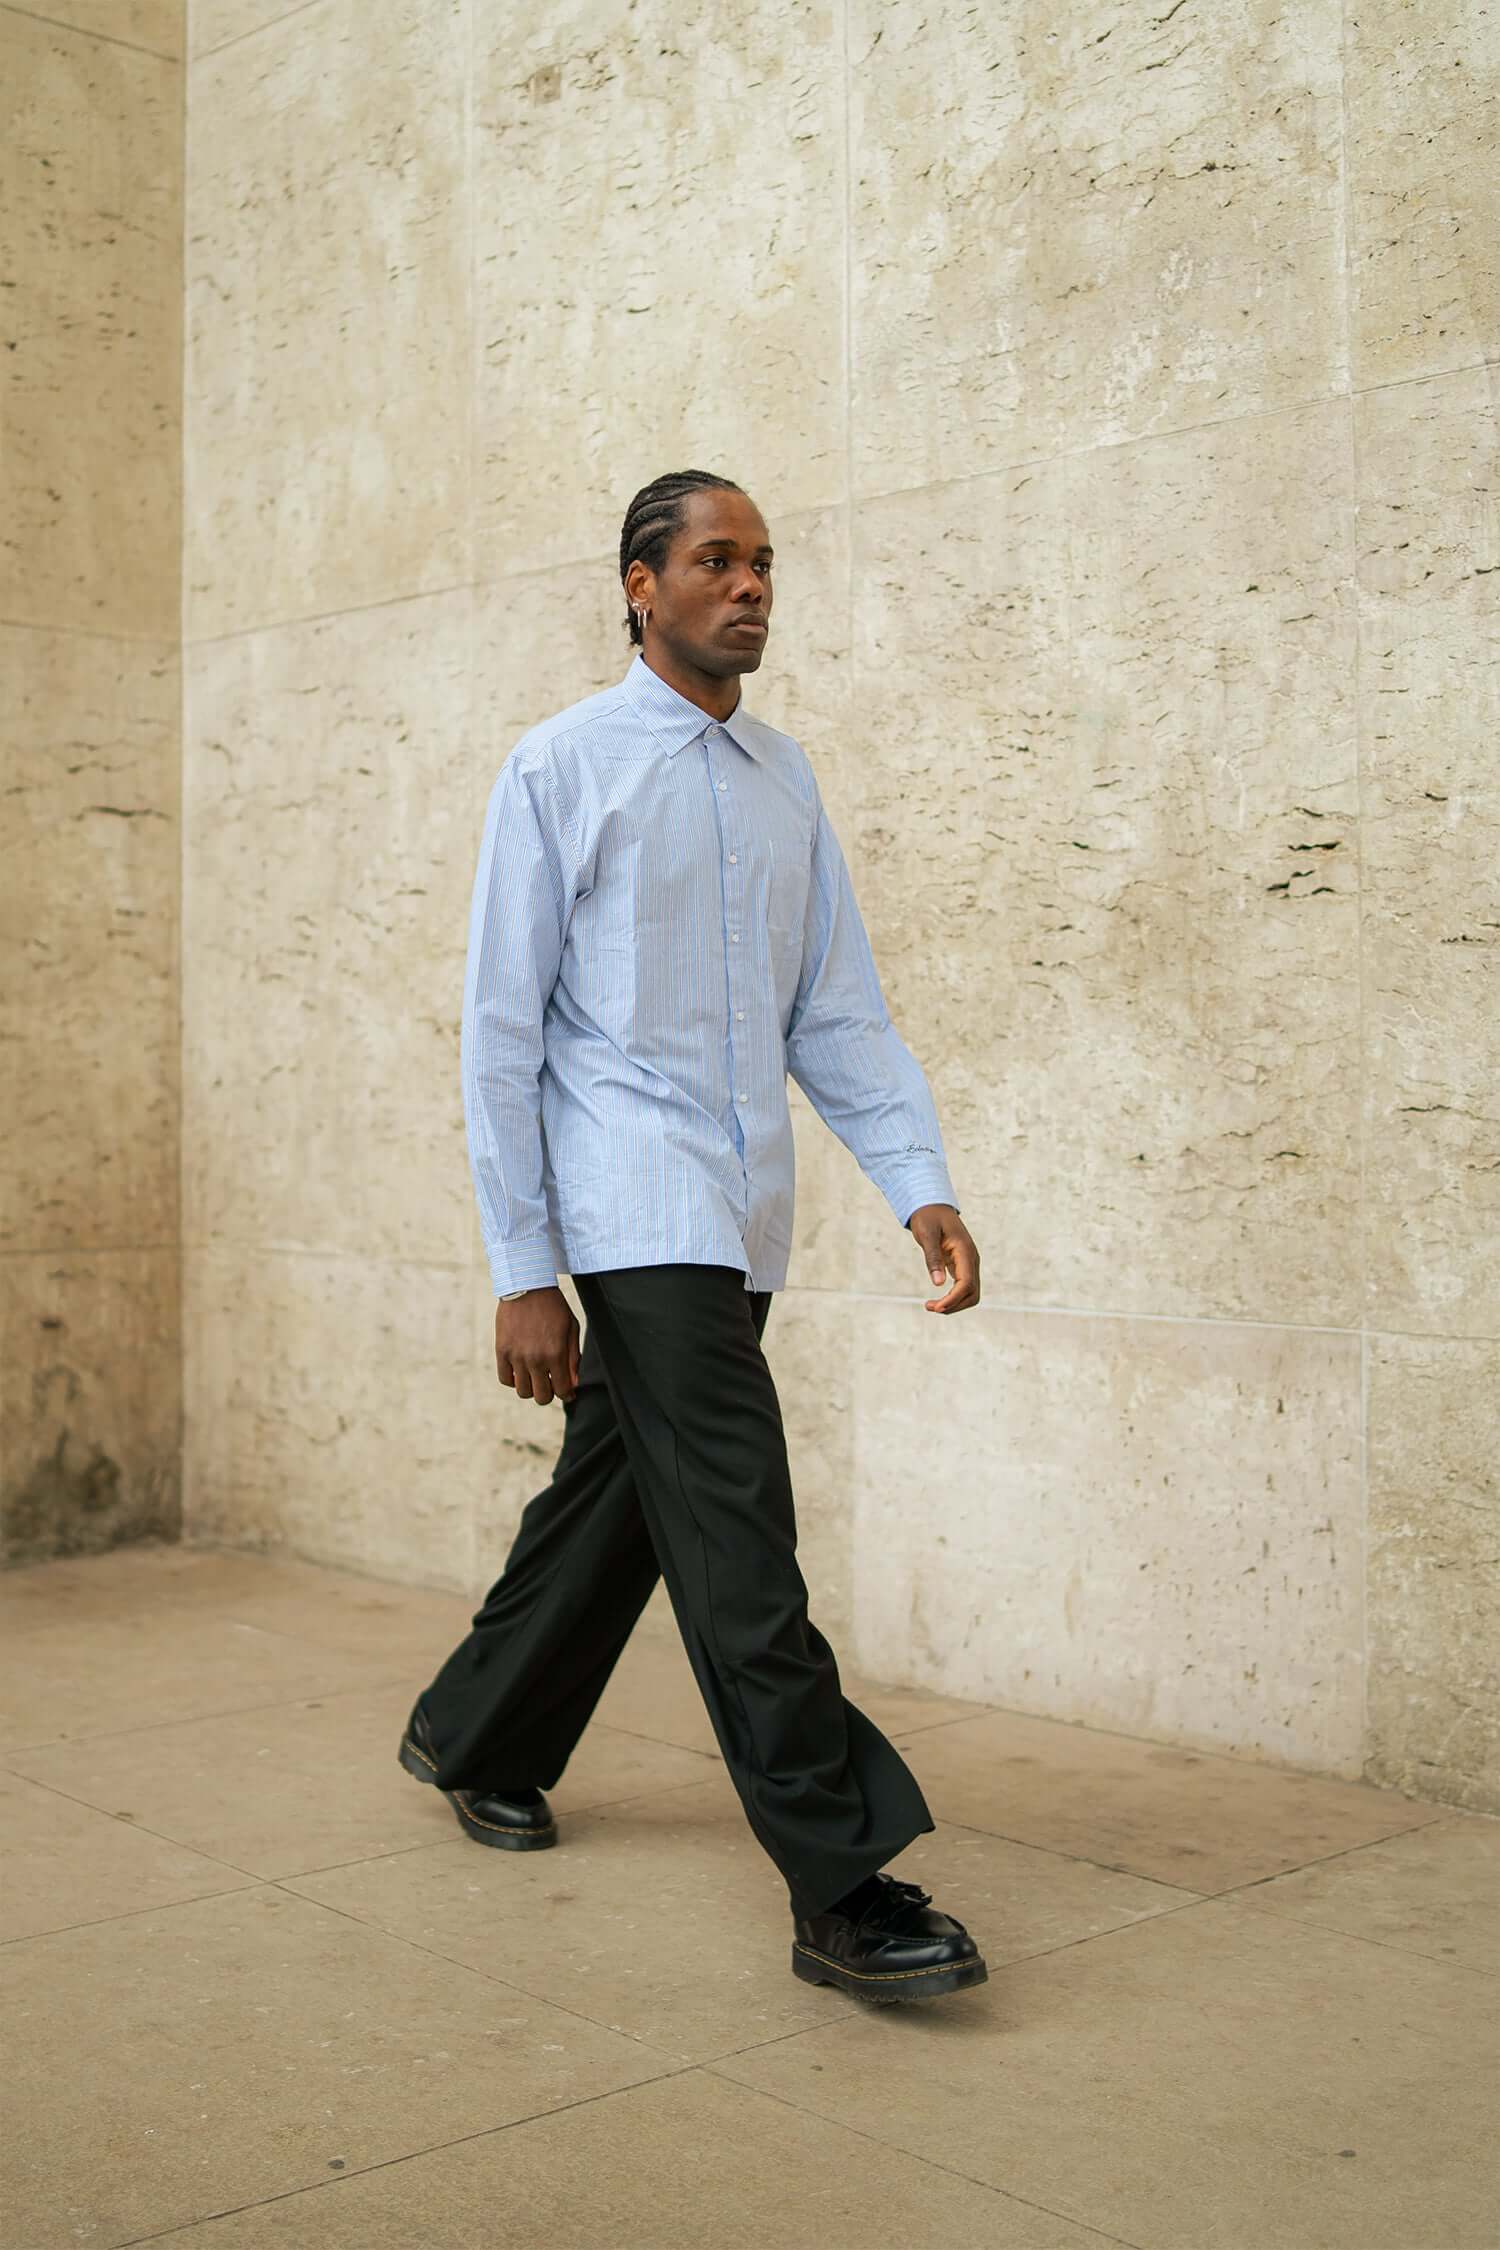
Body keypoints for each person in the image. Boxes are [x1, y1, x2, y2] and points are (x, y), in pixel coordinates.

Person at [400, 469, 987, 2004]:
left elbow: (835, 1011)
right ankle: (842, 1876)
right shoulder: (561, 767)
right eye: (716, 561)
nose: (750, 587)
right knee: (738, 1534)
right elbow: (499, 1031)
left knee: (626, 1500)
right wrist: (524, 1264)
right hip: (626, 1202)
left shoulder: (786, 781)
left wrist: (915, 1177)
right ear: (638, 587)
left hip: (743, 1218)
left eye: (765, 563)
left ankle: (474, 1731)